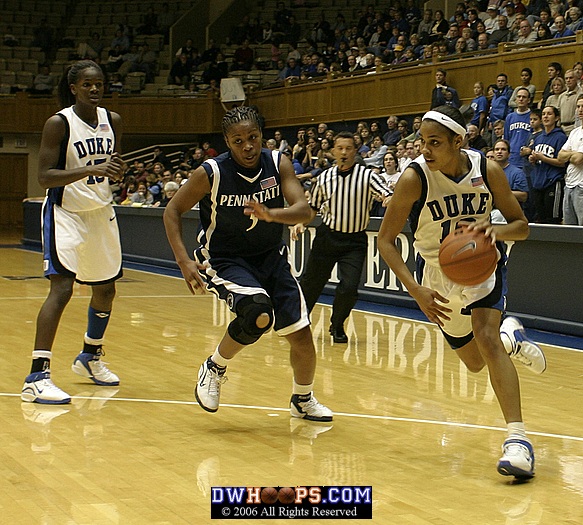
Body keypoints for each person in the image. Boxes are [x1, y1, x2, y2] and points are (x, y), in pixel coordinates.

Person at [377, 105, 546, 479]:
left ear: (460, 140)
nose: (425, 150)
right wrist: (416, 290)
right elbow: (386, 241)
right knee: (474, 362)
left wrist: (492, 233)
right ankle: (512, 340)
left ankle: (518, 441)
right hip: (437, 276)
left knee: (485, 337)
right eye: (422, 142)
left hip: (482, 267)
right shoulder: (414, 179)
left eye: (435, 142)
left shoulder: (488, 170)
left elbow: (521, 226)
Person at [162, 106, 332, 422]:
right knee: (257, 313)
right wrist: (183, 260)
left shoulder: (277, 163)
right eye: (238, 141)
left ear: (261, 137)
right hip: (224, 259)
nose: (248, 146)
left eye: (253, 137)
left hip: (271, 257)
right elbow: (172, 211)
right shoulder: (210, 173)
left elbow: (304, 211)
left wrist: (271, 215)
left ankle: (302, 399)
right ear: (228, 142)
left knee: (302, 336)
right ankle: (214, 366)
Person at [21, 60, 126, 405]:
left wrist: (116, 172)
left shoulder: (113, 122)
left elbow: (110, 167)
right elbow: (45, 177)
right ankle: (37, 376)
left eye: (99, 84)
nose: (95, 89)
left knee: (106, 290)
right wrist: (93, 167)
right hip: (65, 212)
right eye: (87, 85)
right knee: (62, 289)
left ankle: (90, 357)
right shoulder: (59, 123)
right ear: (73, 88)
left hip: (100, 212)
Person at [292, 131, 391, 343]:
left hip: (354, 241)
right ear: (333, 152)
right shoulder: (324, 178)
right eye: (340, 149)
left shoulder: (367, 176)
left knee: (349, 288)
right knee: (311, 284)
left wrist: (388, 198)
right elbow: (313, 208)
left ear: (356, 152)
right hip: (327, 237)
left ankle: (337, 325)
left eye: (349, 148)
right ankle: (298, 322)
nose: (344, 153)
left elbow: (385, 192)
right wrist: (300, 222)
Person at [529, 105, 568, 223]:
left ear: (556, 118)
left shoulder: (560, 137)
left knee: (552, 219)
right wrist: (533, 159)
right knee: (540, 219)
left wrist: (543, 158)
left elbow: (562, 163)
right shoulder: (538, 138)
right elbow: (537, 160)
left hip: (552, 182)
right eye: (544, 114)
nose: (546, 116)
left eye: (549, 114)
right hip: (538, 182)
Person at [558, 94, 583, 224]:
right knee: (569, 231)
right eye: (578, 106)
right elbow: (560, 156)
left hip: (582, 187)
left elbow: (579, 159)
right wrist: (573, 154)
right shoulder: (575, 132)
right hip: (569, 185)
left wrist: (570, 154)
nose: (580, 110)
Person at [504, 87, 532, 170]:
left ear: (529, 100)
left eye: (524, 97)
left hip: (527, 159)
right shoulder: (510, 117)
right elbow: (506, 138)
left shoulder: (533, 116)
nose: (521, 99)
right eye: (519, 97)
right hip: (512, 158)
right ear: (515, 99)